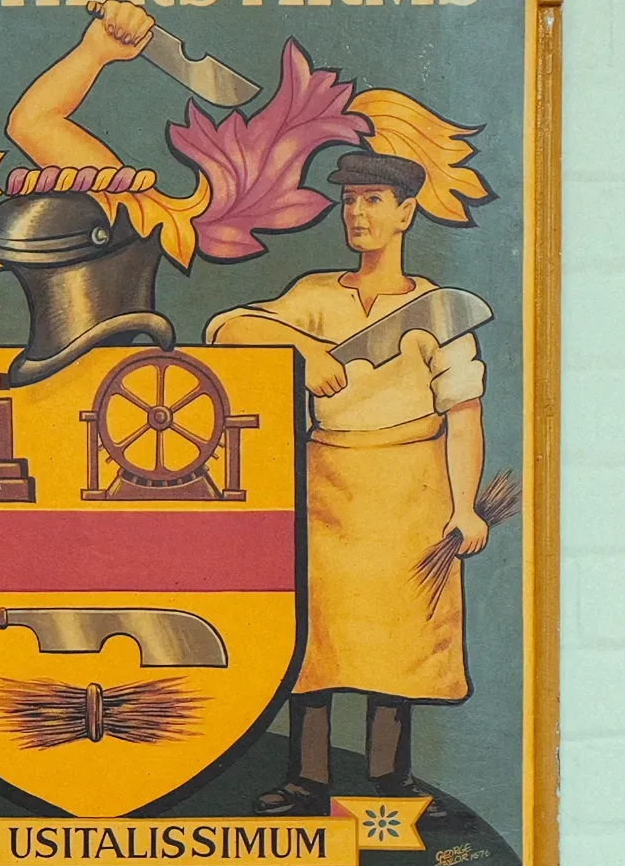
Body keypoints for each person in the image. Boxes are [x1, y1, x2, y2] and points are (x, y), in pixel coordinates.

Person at [206, 150, 488, 821]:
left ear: (405, 213)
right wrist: (303, 351)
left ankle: (391, 778)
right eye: (350, 200)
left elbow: (464, 415)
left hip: (410, 489)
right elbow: (227, 328)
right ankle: (308, 780)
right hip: (328, 484)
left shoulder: (435, 308)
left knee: (401, 635)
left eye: (372, 201)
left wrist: (465, 507)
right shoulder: (313, 296)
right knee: (318, 636)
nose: (357, 213)